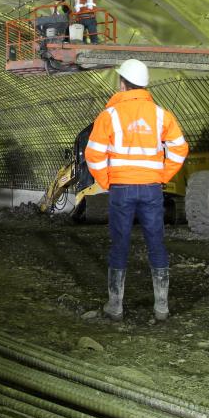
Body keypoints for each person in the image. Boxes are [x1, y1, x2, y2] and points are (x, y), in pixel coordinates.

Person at [84, 59, 188, 322]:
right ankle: (161, 308)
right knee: (156, 242)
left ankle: (115, 307)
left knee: (120, 243)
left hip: (121, 189)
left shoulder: (109, 116)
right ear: (144, 86)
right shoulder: (161, 115)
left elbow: (93, 153)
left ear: (122, 84)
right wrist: (162, 175)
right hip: (152, 189)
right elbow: (179, 148)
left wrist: (107, 181)